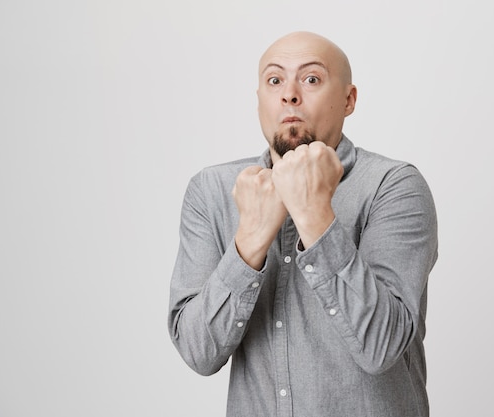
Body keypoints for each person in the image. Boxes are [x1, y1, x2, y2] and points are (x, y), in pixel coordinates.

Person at [168, 31, 438, 417]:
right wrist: (250, 241)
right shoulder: (212, 191)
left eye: (311, 79)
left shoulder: (394, 186)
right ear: (259, 98)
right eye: (274, 80)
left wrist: (314, 215)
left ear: (348, 100)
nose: (289, 94)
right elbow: (198, 352)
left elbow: (381, 346)